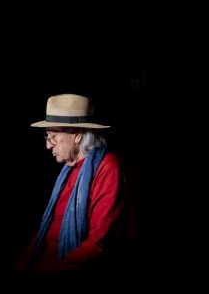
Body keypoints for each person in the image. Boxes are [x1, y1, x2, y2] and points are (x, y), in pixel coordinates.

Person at [14, 93, 135, 275]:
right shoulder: (68, 169)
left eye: (53, 136)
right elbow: (45, 231)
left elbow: (99, 244)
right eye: (47, 137)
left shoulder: (108, 169)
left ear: (77, 135)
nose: (48, 145)